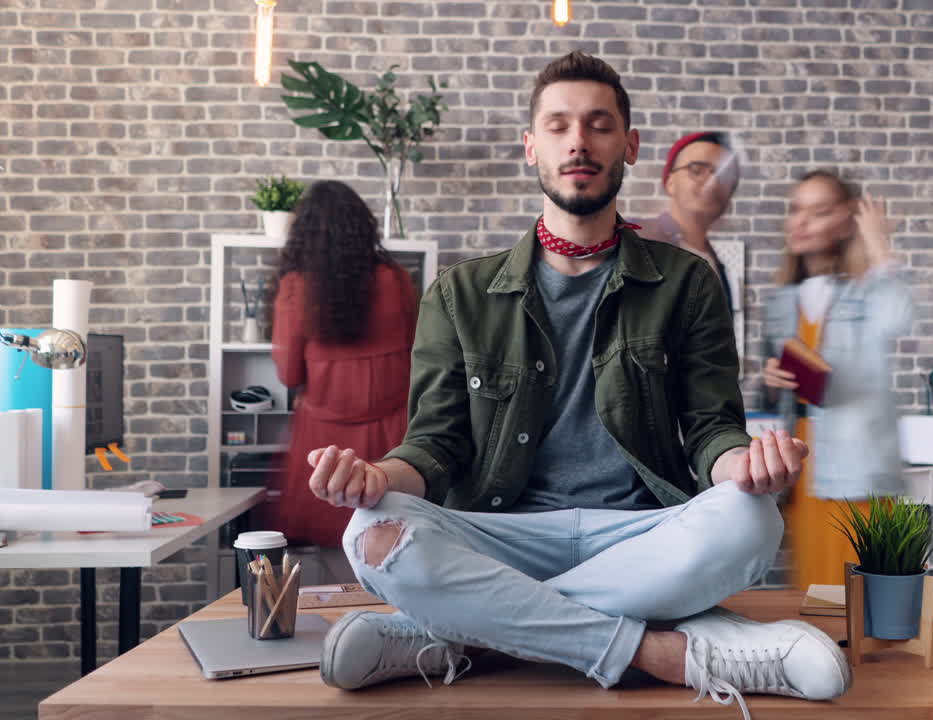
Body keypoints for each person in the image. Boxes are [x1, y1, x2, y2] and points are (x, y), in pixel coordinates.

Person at [302, 51, 850, 717]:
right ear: (532, 147)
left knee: (750, 518)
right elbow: (436, 446)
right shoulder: (460, 292)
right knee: (371, 530)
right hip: (503, 534)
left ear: (630, 144)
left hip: (641, 534)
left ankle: (467, 637)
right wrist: (377, 477)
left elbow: (710, 430)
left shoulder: (685, 282)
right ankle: (663, 652)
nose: (578, 142)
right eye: (558, 125)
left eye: (598, 124)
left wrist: (746, 464)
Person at [761, 170, 914, 589]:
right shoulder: (780, 303)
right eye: (796, 210)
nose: (802, 221)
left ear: (848, 222)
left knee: (866, 601)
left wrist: (879, 245)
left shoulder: (868, 292)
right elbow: (773, 394)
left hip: (858, 468)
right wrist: (772, 380)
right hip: (805, 467)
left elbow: (900, 317)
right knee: (815, 598)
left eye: (820, 211)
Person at [265, 180, 419, 579]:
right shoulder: (396, 279)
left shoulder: (297, 287)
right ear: (360, 226)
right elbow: (419, 354)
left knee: (331, 560)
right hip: (393, 433)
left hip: (324, 441)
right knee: (393, 548)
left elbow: (288, 373)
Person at [639, 131, 741, 314]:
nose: (713, 181)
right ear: (670, 182)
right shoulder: (638, 241)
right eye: (697, 170)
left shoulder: (717, 264)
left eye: (724, 175)